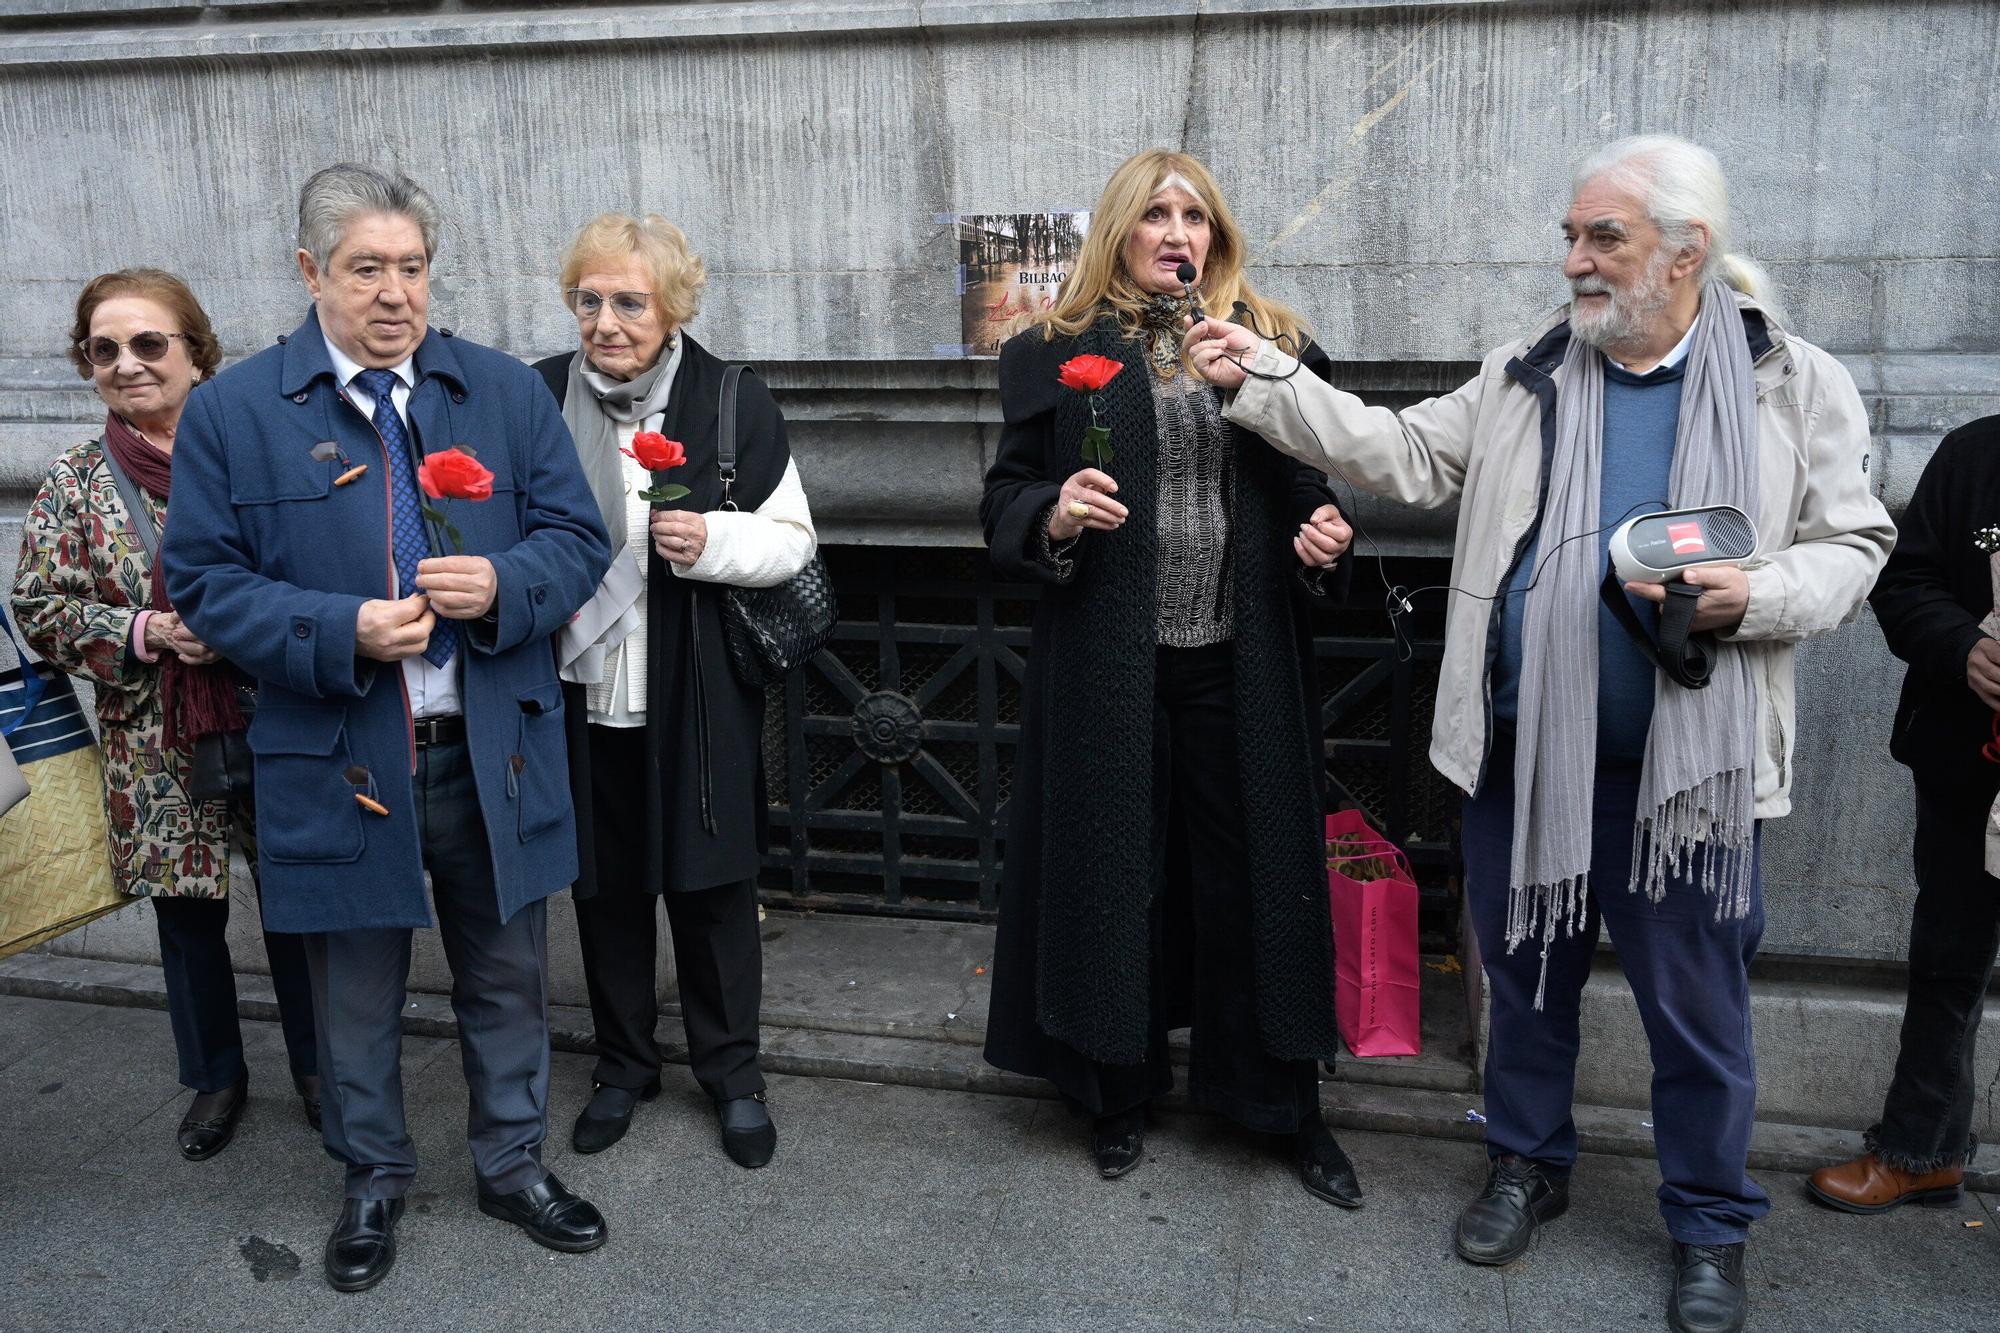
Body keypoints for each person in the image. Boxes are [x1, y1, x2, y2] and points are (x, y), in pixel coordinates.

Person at [1184, 135, 1893, 1333]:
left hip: (1689, 781)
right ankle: (1524, 1163)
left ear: (1684, 254)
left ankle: (1708, 1225)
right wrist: (1258, 378)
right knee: (1519, 987)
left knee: (1697, 1016)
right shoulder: (1526, 369)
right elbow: (1402, 454)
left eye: (1599, 237)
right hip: (1523, 755)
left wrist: (1751, 596)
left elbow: (1854, 541)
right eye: (1568, 234)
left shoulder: (1793, 382)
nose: (1571, 259)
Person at [160, 164, 612, 1292]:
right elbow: (204, 584)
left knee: (507, 978)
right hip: (339, 760)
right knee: (352, 995)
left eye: (411, 268)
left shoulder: (502, 392)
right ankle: (371, 1179)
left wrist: (504, 583)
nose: (395, 293)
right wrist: (339, 626)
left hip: (488, 751)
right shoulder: (235, 411)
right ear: (312, 272)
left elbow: (577, 538)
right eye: (367, 269)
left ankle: (512, 1165)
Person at [979, 148, 1363, 1209]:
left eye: (1193, 215)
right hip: (1110, 666)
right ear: (1119, 231)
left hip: (1236, 660)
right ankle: (1114, 1092)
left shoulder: (1274, 343)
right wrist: (1051, 513)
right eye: (1153, 214)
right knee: (1118, 875)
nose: (1174, 233)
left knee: (1256, 881)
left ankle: (1279, 1104)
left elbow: (1309, 485)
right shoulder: (1056, 351)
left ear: (1217, 236)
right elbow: (1002, 498)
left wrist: (1321, 531)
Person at [11, 268, 319, 1160]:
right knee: (188, 922)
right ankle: (216, 1075)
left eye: (150, 343)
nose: (128, 364)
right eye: (105, 349)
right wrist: (149, 629)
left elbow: (318, 570)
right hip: (153, 741)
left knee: (299, 904)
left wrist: (243, 625)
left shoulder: (260, 451)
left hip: (274, 714)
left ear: (196, 352)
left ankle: (318, 1068)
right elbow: (41, 609)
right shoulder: (74, 482)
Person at [532, 213, 815, 1167]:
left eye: (629, 301)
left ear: (673, 308)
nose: (606, 321)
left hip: (697, 697)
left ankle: (733, 1075)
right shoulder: (536, 398)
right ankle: (623, 1066)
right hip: (580, 697)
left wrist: (715, 543)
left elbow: (795, 541)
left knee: (713, 892)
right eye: (590, 299)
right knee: (604, 891)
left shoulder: (729, 398)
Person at [1808, 413, 2000, 1213]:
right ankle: (1922, 1149)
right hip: (1972, 764)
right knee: (1948, 960)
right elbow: (1903, 582)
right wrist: (1966, 649)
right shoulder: (1976, 451)